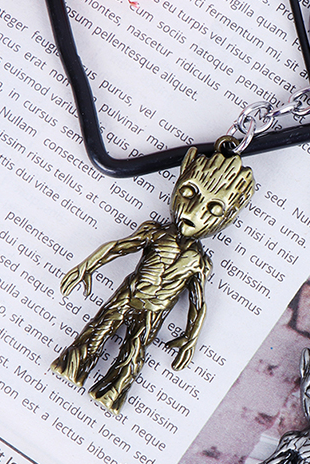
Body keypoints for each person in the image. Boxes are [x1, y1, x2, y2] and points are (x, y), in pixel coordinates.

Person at [52, 143, 254, 413]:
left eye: (214, 209)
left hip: (154, 312)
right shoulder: (155, 233)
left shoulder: (198, 262)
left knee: (133, 353)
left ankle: (112, 393)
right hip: (128, 295)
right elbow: (118, 246)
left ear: (230, 216)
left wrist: (191, 337)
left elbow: (198, 302)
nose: (193, 212)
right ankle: (71, 367)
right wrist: (87, 266)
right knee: (96, 332)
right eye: (188, 192)